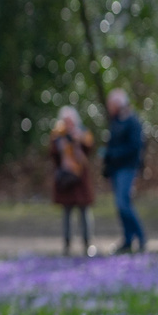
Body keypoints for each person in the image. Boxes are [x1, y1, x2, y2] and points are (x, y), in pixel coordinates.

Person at [104, 88, 147, 254]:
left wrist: (114, 153)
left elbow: (136, 147)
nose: (109, 108)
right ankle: (128, 240)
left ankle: (140, 236)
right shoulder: (115, 121)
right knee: (120, 205)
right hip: (115, 169)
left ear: (118, 104)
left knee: (124, 203)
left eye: (111, 104)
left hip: (128, 168)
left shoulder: (132, 121)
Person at [48, 105, 95, 256]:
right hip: (66, 180)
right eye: (65, 121)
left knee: (84, 212)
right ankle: (67, 245)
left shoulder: (82, 133)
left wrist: (77, 141)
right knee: (67, 213)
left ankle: (87, 243)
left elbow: (89, 149)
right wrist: (61, 146)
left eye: (70, 121)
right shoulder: (57, 135)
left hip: (80, 179)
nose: (68, 124)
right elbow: (52, 154)